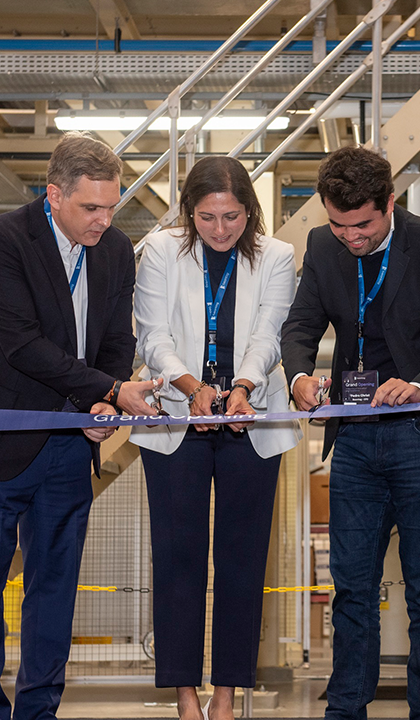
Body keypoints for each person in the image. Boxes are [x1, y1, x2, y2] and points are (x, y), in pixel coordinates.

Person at [0, 131, 160, 720]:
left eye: (113, 206)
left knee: (54, 594)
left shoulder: (114, 250)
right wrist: (110, 390)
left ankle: (39, 712)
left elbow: (118, 339)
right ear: (53, 195)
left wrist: (105, 406)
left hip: (67, 447)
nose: (104, 220)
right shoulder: (1, 242)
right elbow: (23, 347)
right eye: (91, 207)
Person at [281, 146, 420, 720]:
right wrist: (299, 373)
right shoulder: (323, 245)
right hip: (355, 439)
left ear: (390, 204)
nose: (350, 236)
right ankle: (345, 708)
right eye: (339, 223)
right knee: (350, 588)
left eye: (364, 225)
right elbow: (301, 323)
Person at [131, 156, 300, 720]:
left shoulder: (276, 255)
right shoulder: (159, 250)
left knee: (242, 560)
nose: (221, 229)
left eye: (232, 216)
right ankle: (185, 695)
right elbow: (152, 335)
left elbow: (269, 334)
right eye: (207, 218)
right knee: (177, 557)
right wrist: (190, 387)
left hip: (248, 419)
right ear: (189, 212)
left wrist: (244, 387)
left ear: (250, 211)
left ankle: (226, 695)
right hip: (179, 417)